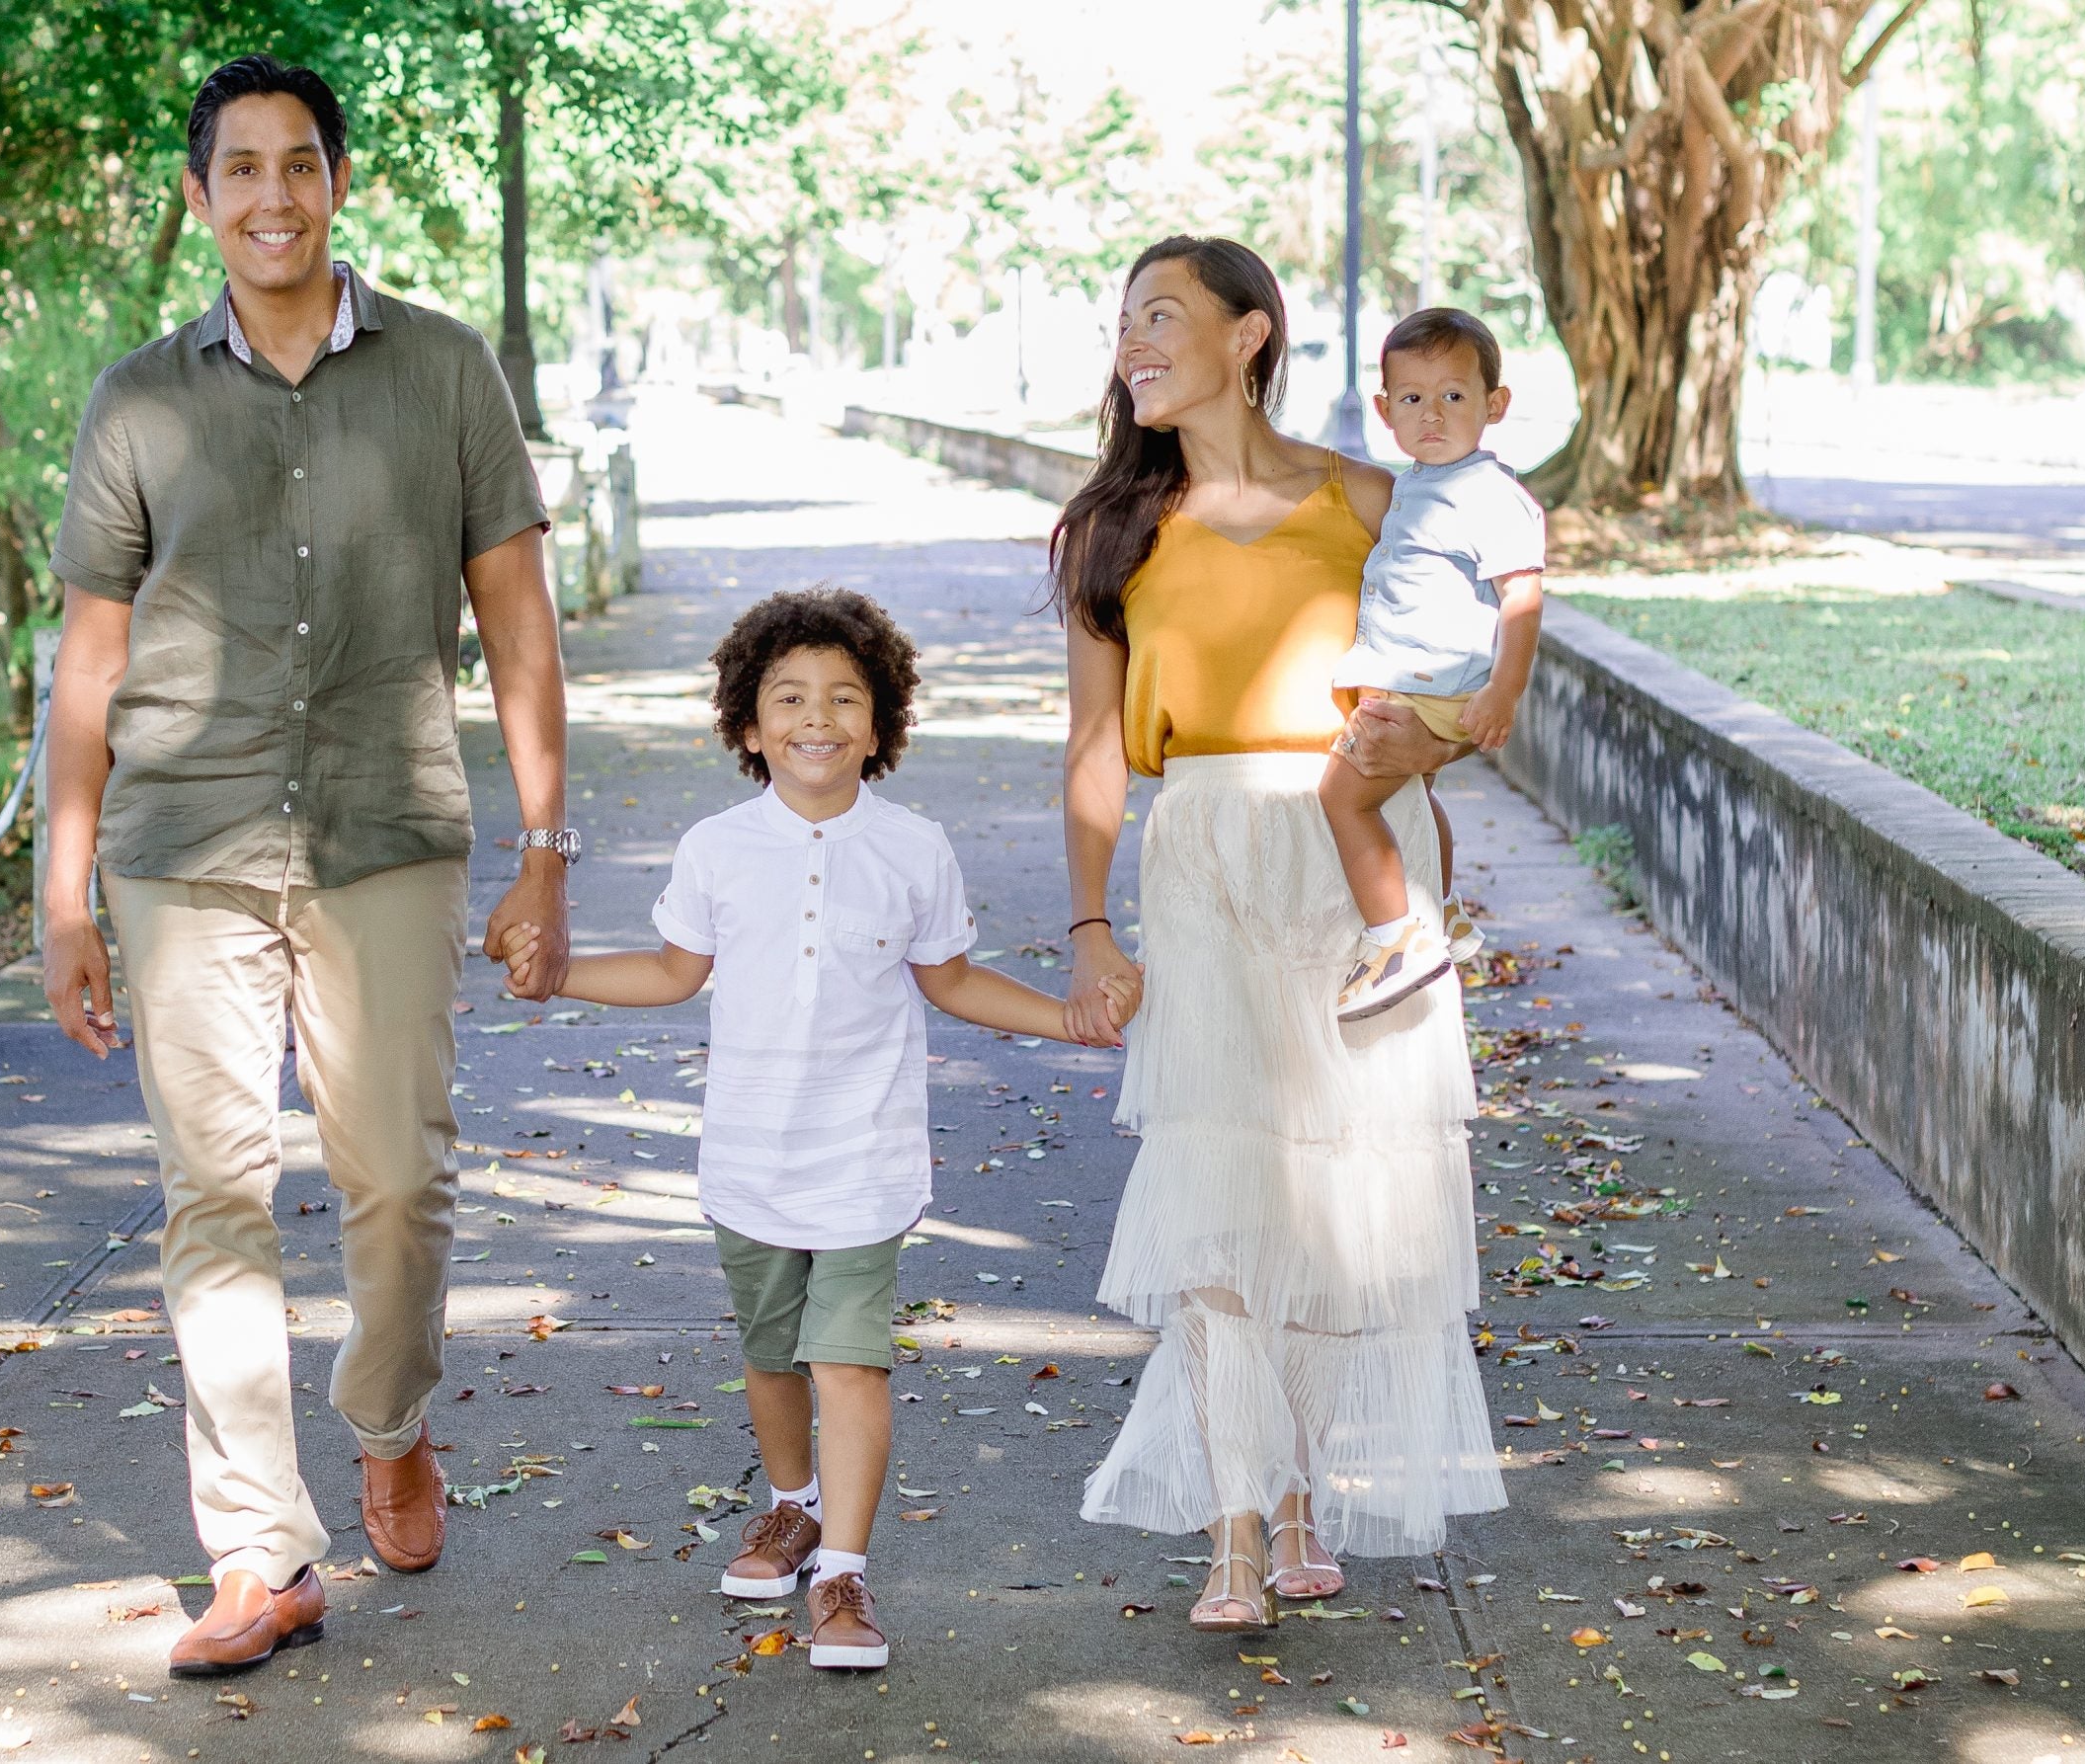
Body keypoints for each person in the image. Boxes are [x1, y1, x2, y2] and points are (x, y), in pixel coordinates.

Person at [40, 54, 577, 1678]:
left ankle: (390, 1418)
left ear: (340, 181)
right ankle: (261, 1550)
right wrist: (62, 886)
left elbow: (519, 622)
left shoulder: (446, 373)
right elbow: (86, 659)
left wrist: (549, 847)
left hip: (385, 827)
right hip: (182, 843)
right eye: (240, 171)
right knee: (215, 1192)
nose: (272, 195)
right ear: (198, 200)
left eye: (300, 164)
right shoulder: (137, 400)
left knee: (400, 1178)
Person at [499, 589, 1133, 1670]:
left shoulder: (915, 847)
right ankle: (791, 1503)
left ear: (881, 726)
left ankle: (842, 1570)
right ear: (747, 726)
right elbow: (668, 972)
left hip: (864, 1156)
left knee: (850, 1362)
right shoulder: (714, 848)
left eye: (846, 697)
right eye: (787, 696)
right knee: (770, 1357)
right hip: (748, 1156)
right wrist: (558, 975)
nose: (816, 716)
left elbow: (953, 979)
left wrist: (1063, 1018)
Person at [1052, 236, 1505, 1631]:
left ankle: (1299, 1489)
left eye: (1164, 316)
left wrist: (1425, 754)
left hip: (1347, 852)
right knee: (1218, 1195)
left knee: (1337, 1190)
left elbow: (1469, 665)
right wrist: (1084, 922)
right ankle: (1237, 1527)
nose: (1135, 341)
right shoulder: (1111, 530)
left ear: (1251, 336)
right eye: (1125, 319)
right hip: (1200, 857)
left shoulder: (1370, 498)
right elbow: (1089, 747)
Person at [1321, 308, 1546, 1020]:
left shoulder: (1490, 494)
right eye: (1412, 399)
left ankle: (1396, 938)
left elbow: (1522, 597)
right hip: (1419, 679)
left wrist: (1504, 692)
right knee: (1413, 795)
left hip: (1434, 685)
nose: (1432, 414)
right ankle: (1444, 910)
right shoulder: (1417, 483)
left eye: (1453, 396)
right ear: (1384, 409)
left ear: (1494, 405)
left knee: (1342, 798)